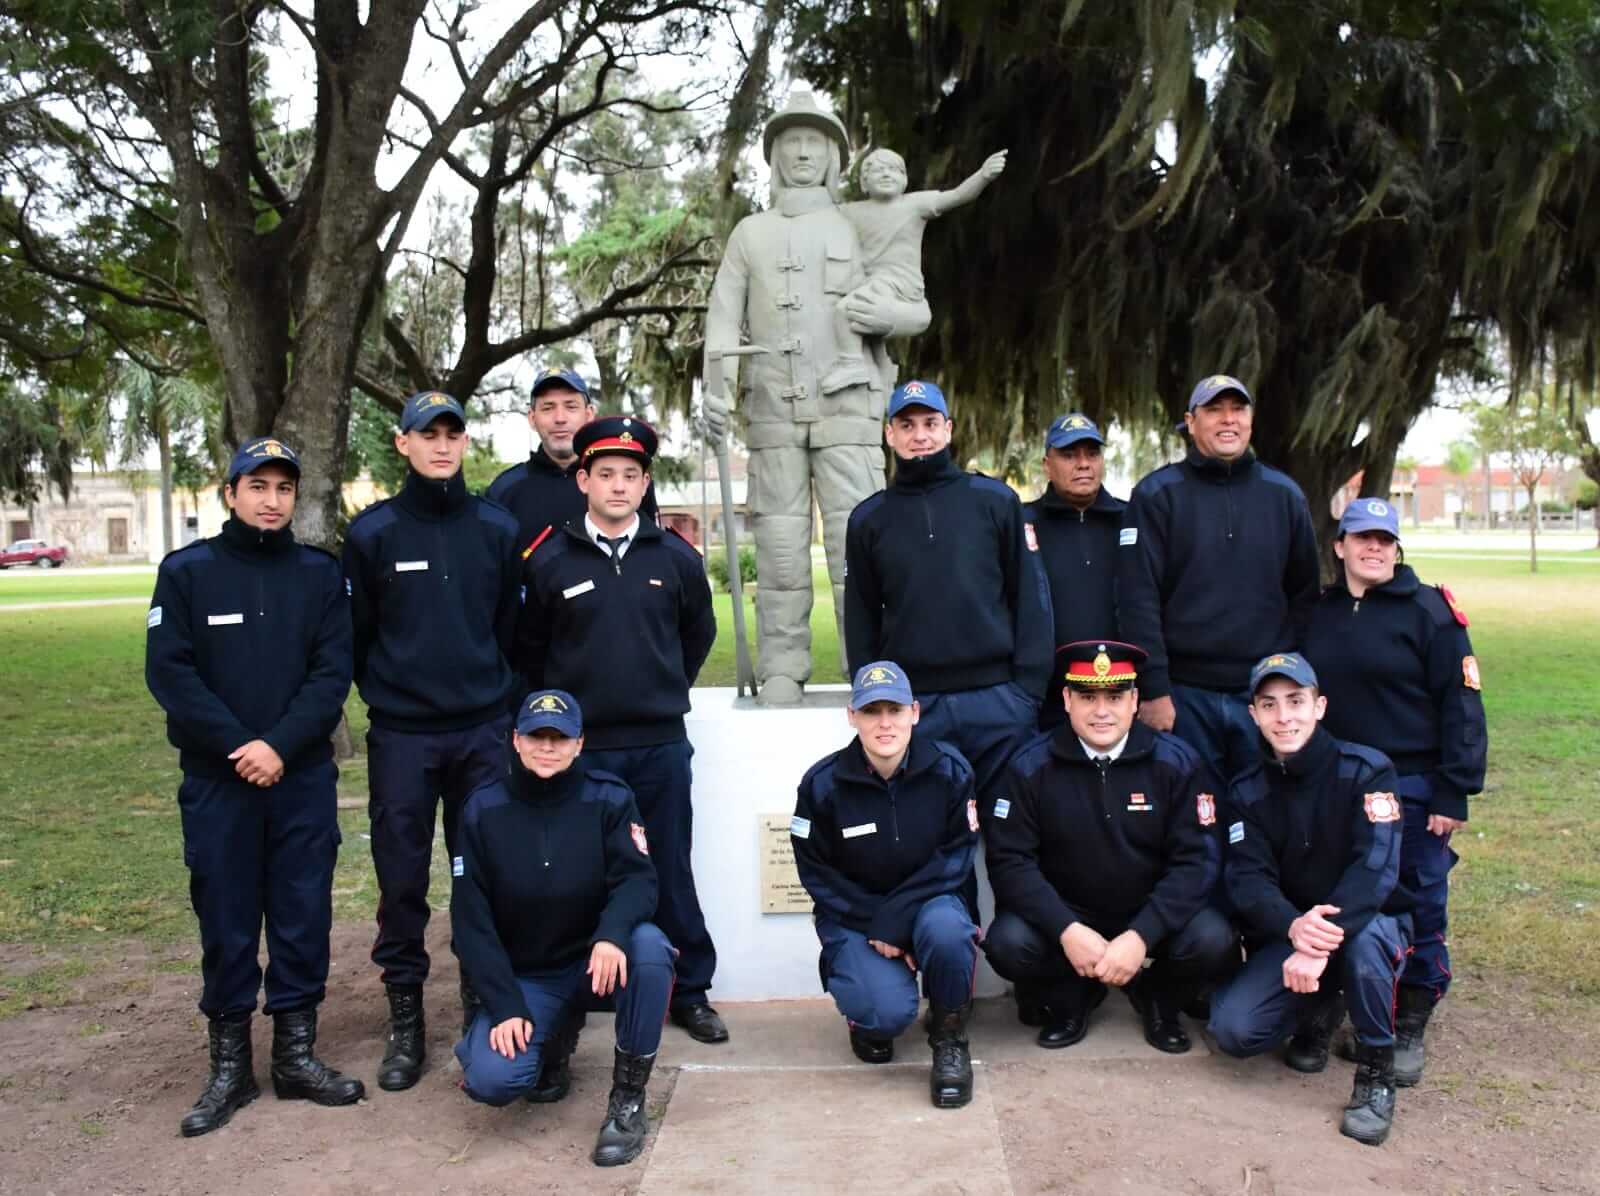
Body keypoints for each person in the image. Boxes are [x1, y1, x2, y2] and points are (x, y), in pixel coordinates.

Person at [146, 436, 363, 1137]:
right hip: (220, 782)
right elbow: (171, 674)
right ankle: (231, 1068)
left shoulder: (318, 576)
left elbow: (332, 675)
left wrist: (279, 745)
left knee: (303, 913)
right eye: (258, 486)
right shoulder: (188, 573)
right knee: (227, 917)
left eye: (284, 489)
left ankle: (297, 1057)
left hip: (299, 778)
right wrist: (244, 747)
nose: (272, 501)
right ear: (230, 492)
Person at [702, 90, 924, 705]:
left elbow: (915, 307)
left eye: (815, 142)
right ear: (773, 156)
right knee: (776, 542)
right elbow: (723, 323)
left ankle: (869, 667)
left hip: (850, 407)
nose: (802, 151)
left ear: (834, 156)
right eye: (790, 142)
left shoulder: (863, 221)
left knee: (861, 543)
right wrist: (715, 393)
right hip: (771, 408)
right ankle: (781, 664)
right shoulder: (750, 233)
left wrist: (885, 311)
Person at [514, 416, 726, 1045]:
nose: (617, 486)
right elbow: (531, 652)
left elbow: (698, 635)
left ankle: (689, 990)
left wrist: (660, 688)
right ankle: (591, 989)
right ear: (582, 479)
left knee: (669, 865)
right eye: (604, 474)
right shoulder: (547, 560)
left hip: (659, 744)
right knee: (584, 870)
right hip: (584, 750)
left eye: (630, 476)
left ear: (644, 483)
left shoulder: (674, 557)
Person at [342, 390, 523, 1092]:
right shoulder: (374, 534)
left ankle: (481, 1004)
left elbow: (511, 627)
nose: (442, 445)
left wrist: (492, 698)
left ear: (464, 443)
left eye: (453, 434)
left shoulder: (496, 529)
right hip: (404, 737)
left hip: (482, 729)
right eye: (429, 434)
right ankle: (407, 1021)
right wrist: (395, 696)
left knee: (480, 873)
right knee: (402, 879)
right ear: (403, 444)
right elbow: (358, 641)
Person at [1302, 497, 1486, 1085]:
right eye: (1362, 538)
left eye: (1384, 539)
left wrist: (1453, 792)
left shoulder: (1430, 613)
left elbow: (1462, 706)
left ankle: (1411, 1014)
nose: (1373, 548)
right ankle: (1330, 1002)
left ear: (1396, 547)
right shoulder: (1316, 612)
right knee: (1335, 892)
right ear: (1340, 547)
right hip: (1334, 784)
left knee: (1417, 899)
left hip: (1410, 785)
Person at [451, 690, 674, 1168]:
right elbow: (471, 922)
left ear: (579, 743)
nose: (547, 747)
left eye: (560, 737)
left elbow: (638, 880)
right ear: (516, 740)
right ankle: (546, 1042)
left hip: (596, 964)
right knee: (495, 1080)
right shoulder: (480, 809)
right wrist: (505, 1005)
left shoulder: (609, 798)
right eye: (536, 736)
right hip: (529, 975)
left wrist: (612, 934)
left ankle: (627, 1101)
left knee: (650, 949)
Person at [984, 641, 1235, 1053]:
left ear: (1135, 700)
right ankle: (1074, 996)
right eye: (1087, 697)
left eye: (1115, 697)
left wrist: (1141, 935)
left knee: (1213, 939)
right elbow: (1010, 862)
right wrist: (1066, 930)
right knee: (1008, 943)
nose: (1102, 711)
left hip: (1148, 910)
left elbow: (1197, 862)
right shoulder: (1029, 766)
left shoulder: (1177, 763)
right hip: (1071, 914)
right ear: (1066, 699)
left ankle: (1158, 996)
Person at [1207, 652, 1413, 1147]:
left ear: (1319, 706)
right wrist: (1294, 928)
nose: (1284, 717)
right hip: (1294, 933)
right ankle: (1321, 1008)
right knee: (1234, 1031)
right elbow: (1248, 880)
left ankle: (1376, 1074)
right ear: (1253, 715)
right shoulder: (1247, 789)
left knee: (1364, 949)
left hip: (1366, 925)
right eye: (1270, 705)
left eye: (1296, 701)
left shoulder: (1367, 770)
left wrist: (1316, 942)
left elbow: (1375, 868)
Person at [844, 379, 1053, 813]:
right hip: (917, 708)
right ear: (890, 434)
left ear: (948, 429)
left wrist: (1027, 693)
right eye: (907, 425)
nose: (919, 435)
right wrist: (876, 702)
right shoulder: (869, 519)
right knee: (932, 835)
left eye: (929, 423)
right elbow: (861, 618)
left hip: (999, 704)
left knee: (1012, 834)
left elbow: (1031, 599)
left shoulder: (994, 501)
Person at [790, 661, 982, 1108]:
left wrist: (898, 920)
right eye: (871, 711)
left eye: (894, 710)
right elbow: (816, 871)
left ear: (915, 712)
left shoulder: (951, 771)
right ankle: (867, 1019)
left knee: (949, 931)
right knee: (884, 1014)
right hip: (856, 916)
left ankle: (950, 1039)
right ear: (851, 715)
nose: (884, 723)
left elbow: (955, 857)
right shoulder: (822, 785)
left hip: (929, 905)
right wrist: (877, 923)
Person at [1117, 374, 1321, 782]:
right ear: (1191, 423)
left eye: (1238, 409)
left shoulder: (1284, 495)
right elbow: (1137, 599)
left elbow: (1304, 596)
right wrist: (1154, 689)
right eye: (1214, 410)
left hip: (1263, 692)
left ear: (1250, 419)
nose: (1228, 419)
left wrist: (1291, 688)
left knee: (1262, 816)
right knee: (1192, 818)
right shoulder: (1158, 495)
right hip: (1184, 695)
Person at [829, 146, 1007, 364]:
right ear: (864, 184)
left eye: (893, 170)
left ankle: (851, 364)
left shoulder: (914, 205)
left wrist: (983, 175)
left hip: (902, 286)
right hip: (867, 282)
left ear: (904, 180)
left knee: (849, 311)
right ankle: (862, 363)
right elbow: (821, 213)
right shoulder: (851, 211)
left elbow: (958, 195)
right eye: (877, 170)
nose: (886, 174)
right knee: (853, 316)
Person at [1023, 413, 1126, 729]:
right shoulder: (1022, 522)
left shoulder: (1133, 520)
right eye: (1069, 455)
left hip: (1119, 692)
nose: (1083, 463)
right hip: (1044, 699)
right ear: (1047, 464)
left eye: (1092, 454)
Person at [486, 366, 657, 550]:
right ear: (532, 418)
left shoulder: (624, 484)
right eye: (548, 408)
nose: (560, 418)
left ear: (589, 414)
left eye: (571, 406)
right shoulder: (505, 490)